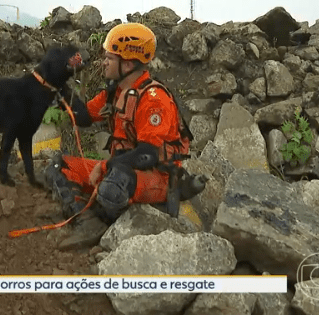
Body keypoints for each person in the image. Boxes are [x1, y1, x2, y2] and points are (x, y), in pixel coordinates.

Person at [44, 23, 204, 223]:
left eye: (110, 58)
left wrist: (105, 166)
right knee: (60, 166)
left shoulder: (154, 99)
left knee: (115, 184)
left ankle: (175, 190)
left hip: (156, 176)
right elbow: (84, 117)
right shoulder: (116, 92)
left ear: (128, 64)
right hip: (120, 168)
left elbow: (147, 155)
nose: (104, 63)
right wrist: (62, 94)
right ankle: (83, 221)